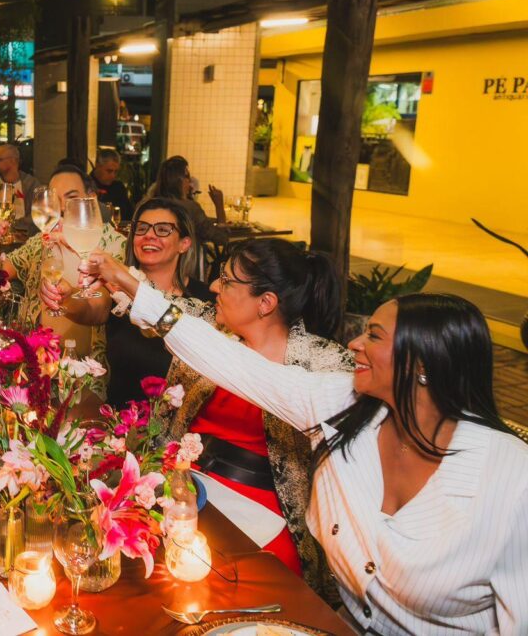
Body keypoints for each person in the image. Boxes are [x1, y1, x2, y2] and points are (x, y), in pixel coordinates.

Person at [88, 261, 528, 633]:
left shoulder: (511, 479)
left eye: (374, 336)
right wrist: (133, 287)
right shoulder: (340, 405)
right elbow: (232, 363)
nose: (355, 344)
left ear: (422, 364)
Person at [80, 239, 350, 597]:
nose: (212, 287)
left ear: (266, 303)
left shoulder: (325, 364)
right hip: (184, 486)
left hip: (264, 511)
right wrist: (99, 284)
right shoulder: (208, 322)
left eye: (226, 280)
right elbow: (155, 306)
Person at [40, 198, 213, 409]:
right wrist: (65, 296)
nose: (149, 235)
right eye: (141, 228)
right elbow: (90, 308)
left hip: (180, 427)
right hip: (118, 422)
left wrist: (122, 274)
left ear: (184, 244)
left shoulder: (204, 300)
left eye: (162, 230)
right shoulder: (116, 291)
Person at [1, 165, 125, 384]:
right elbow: (1, 272)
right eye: (54, 201)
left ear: (91, 199)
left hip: (85, 377)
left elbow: (100, 308)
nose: (62, 208)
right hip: (35, 368)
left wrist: (66, 299)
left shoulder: (114, 245)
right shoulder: (42, 241)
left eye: (72, 198)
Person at [146, 156, 227, 246]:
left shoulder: (150, 205)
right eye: (187, 177)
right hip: (184, 254)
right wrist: (219, 206)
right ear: (180, 179)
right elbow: (221, 238)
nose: (190, 182)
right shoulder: (190, 208)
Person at [0, 143, 41, 235]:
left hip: (25, 237)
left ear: (13, 160)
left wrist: (13, 225)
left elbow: (38, 214)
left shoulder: (31, 184)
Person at [90, 149, 131, 222]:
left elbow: (128, 215)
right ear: (98, 166)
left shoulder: (119, 188)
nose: (113, 176)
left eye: (116, 172)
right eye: (109, 171)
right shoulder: (86, 185)